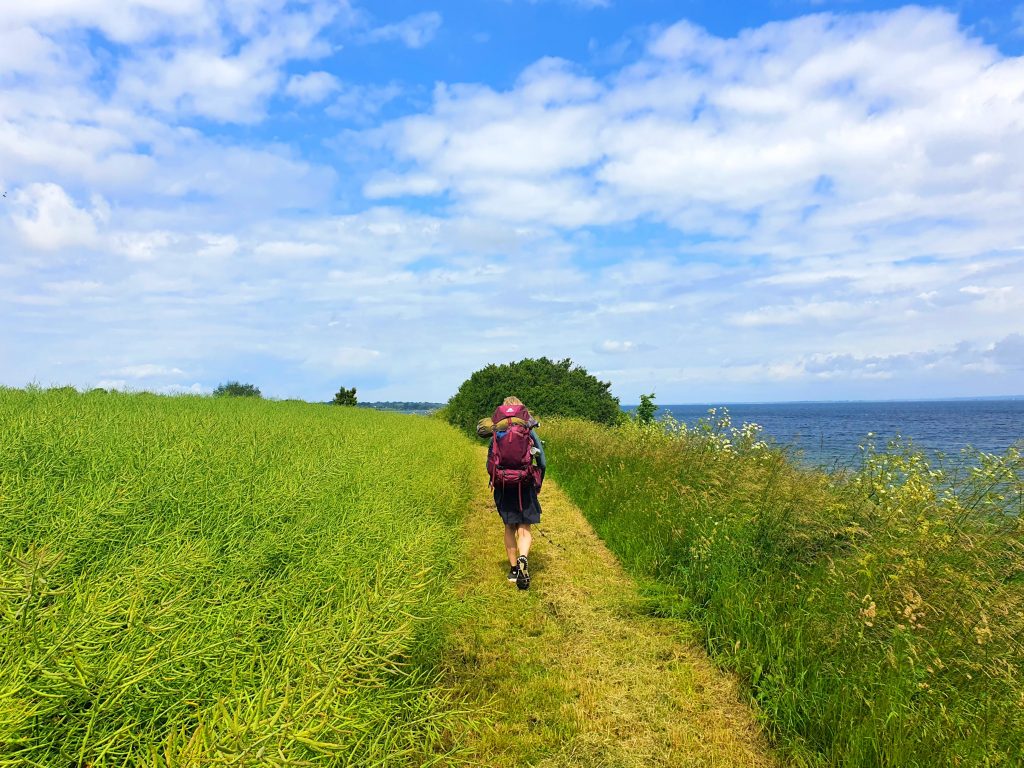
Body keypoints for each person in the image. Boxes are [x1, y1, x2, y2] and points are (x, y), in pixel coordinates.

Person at [485, 396, 545, 590]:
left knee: (510, 526)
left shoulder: (497, 430)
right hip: (524, 482)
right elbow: (542, 461)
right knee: (524, 527)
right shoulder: (527, 429)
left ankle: (513, 570)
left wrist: (497, 479)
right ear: (521, 409)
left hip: (503, 484)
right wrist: (538, 481)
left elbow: (490, 462)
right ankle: (523, 559)